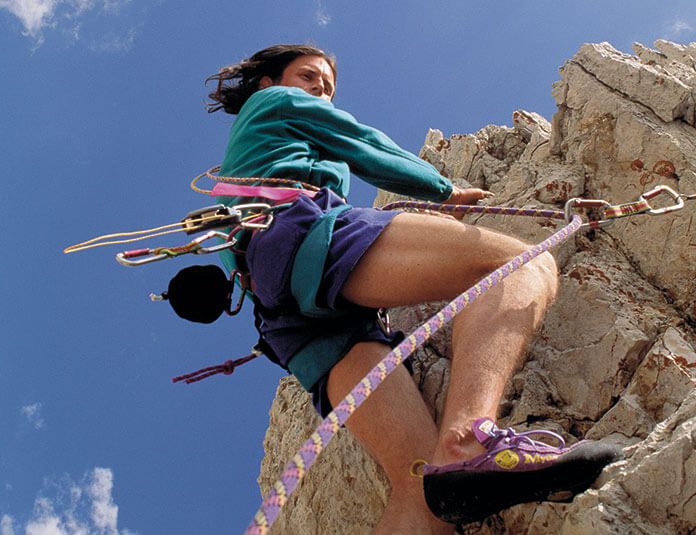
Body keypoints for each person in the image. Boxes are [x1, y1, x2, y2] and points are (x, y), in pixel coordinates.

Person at [205, 44, 620, 534]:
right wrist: (443, 190)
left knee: (421, 491)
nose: (320, 90)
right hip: (303, 239)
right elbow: (360, 142)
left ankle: (450, 468)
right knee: (523, 265)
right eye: (308, 76)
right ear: (268, 82)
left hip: (284, 311)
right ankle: (468, 443)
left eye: (328, 86)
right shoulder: (274, 102)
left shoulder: (251, 151)